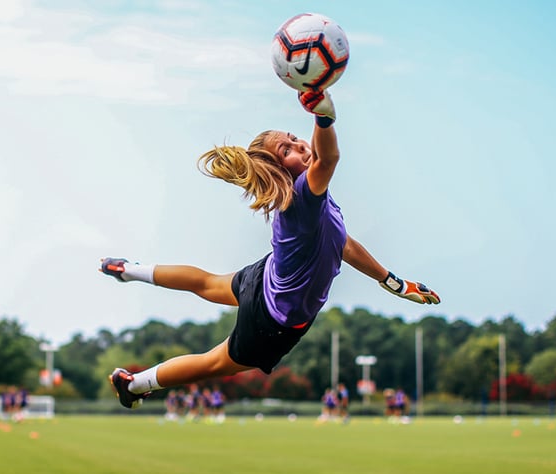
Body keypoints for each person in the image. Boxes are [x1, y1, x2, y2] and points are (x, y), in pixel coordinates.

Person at [101, 89, 440, 409]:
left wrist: (394, 283)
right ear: (279, 168)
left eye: (293, 138)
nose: (298, 145)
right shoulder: (304, 195)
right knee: (214, 362)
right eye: (287, 150)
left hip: (267, 277)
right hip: (274, 319)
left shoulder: (312, 198)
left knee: (206, 283)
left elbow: (344, 244)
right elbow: (328, 158)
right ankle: (133, 385)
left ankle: (128, 269)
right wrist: (323, 115)